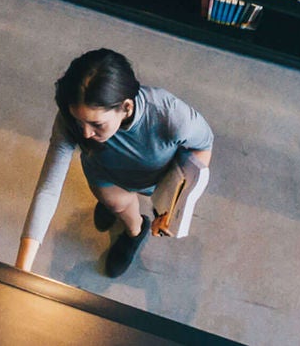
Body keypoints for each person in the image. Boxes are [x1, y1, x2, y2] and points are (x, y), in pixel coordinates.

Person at [16, 48, 213, 279]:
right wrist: (21, 270)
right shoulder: (70, 119)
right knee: (116, 205)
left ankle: (134, 232)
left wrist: (172, 209)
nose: (86, 133)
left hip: (152, 178)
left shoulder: (169, 115)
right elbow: (48, 189)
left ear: (126, 107)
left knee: (125, 214)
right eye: (79, 123)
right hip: (104, 174)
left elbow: (204, 144)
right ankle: (118, 213)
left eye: (96, 124)